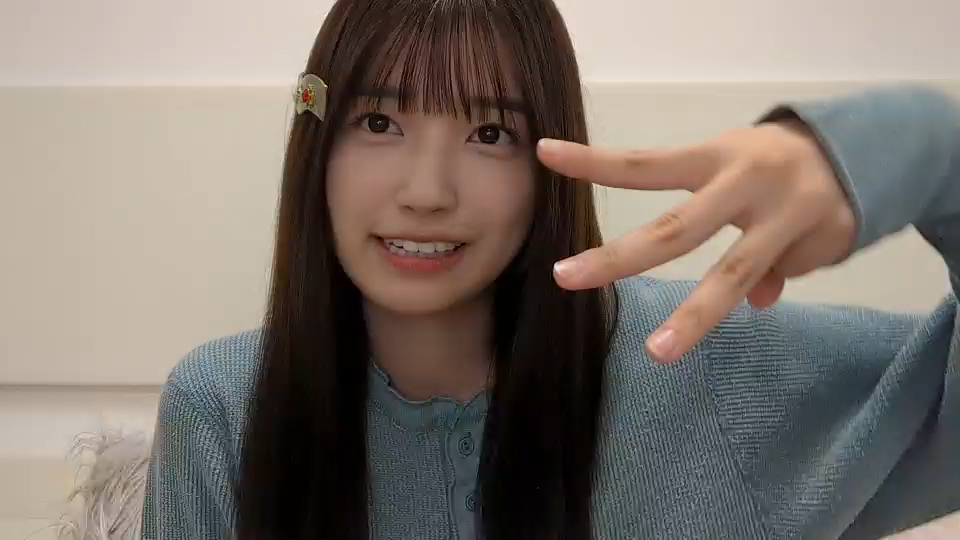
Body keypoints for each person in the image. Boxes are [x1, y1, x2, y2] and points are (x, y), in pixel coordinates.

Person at [141, 0, 960, 538]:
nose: (425, 192)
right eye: (379, 122)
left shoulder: (704, 366)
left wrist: (919, 149)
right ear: (316, 144)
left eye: (489, 135)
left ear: (550, 164)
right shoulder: (222, 407)